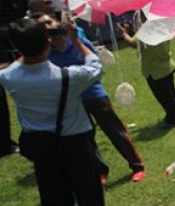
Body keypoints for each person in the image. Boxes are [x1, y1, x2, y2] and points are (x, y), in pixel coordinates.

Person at [0, 17, 112, 206]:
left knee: (53, 200)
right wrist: (75, 39)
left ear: (18, 48)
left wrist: (28, 47)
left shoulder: (9, 78)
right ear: (47, 43)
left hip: (42, 148)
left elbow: (16, 64)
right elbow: (95, 65)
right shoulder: (67, 77)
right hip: (75, 144)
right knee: (90, 196)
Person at [39, 13, 145, 182]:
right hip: (71, 99)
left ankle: (136, 165)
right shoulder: (45, 50)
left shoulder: (77, 38)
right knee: (86, 136)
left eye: (50, 23)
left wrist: (74, 38)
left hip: (92, 93)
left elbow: (94, 62)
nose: (48, 28)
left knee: (114, 129)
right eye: (42, 27)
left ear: (58, 22)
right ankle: (99, 170)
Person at [116, 19, 175, 128]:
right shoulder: (162, 25)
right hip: (167, 65)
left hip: (155, 70)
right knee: (171, 94)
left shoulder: (146, 30)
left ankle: (172, 119)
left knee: (164, 97)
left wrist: (123, 33)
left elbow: (134, 44)